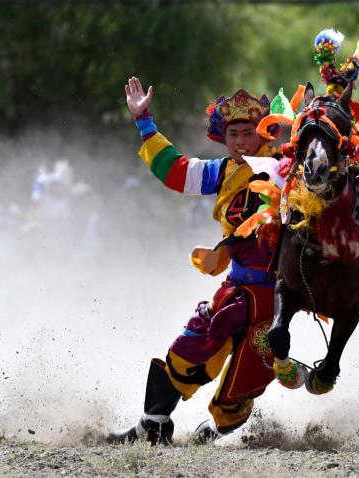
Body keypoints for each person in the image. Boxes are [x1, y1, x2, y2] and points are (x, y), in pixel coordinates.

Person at [107, 77, 282, 445]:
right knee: (190, 348)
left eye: (247, 133)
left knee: (244, 379)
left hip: (273, 295)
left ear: (261, 134)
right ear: (224, 137)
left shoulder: (284, 171)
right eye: (233, 133)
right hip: (235, 287)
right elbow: (177, 171)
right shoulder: (223, 171)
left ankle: (214, 431)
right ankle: (153, 423)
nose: (239, 140)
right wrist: (144, 121)